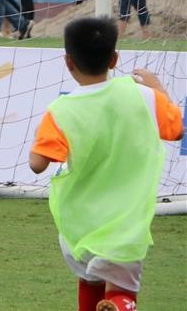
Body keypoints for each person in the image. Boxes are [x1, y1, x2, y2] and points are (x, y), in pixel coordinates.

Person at [28, 17, 183, 311]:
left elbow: (37, 164)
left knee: (89, 282)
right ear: (114, 59)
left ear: (68, 62)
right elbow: (176, 130)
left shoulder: (61, 111)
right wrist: (159, 89)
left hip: (79, 226)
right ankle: (120, 305)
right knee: (121, 290)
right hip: (125, 226)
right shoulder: (145, 97)